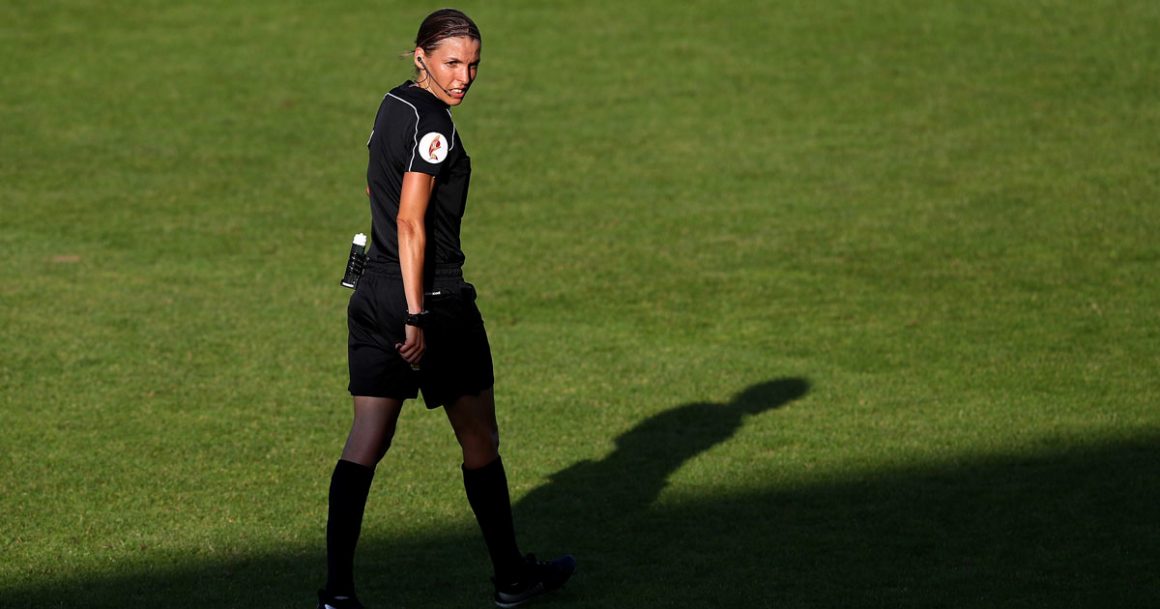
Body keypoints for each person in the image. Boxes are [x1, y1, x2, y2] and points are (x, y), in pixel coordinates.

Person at [318, 9, 575, 609]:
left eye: (473, 65)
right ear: (421, 57)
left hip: (372, 291)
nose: (464, 77)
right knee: (480, 438)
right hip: (429, 299)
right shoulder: (434, 124)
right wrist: (417, 315)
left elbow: (376, 190)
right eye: (452, 62)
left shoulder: (394, 104)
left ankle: (336, 593)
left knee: (366, 440)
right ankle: (512, 580)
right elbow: (410, 221)